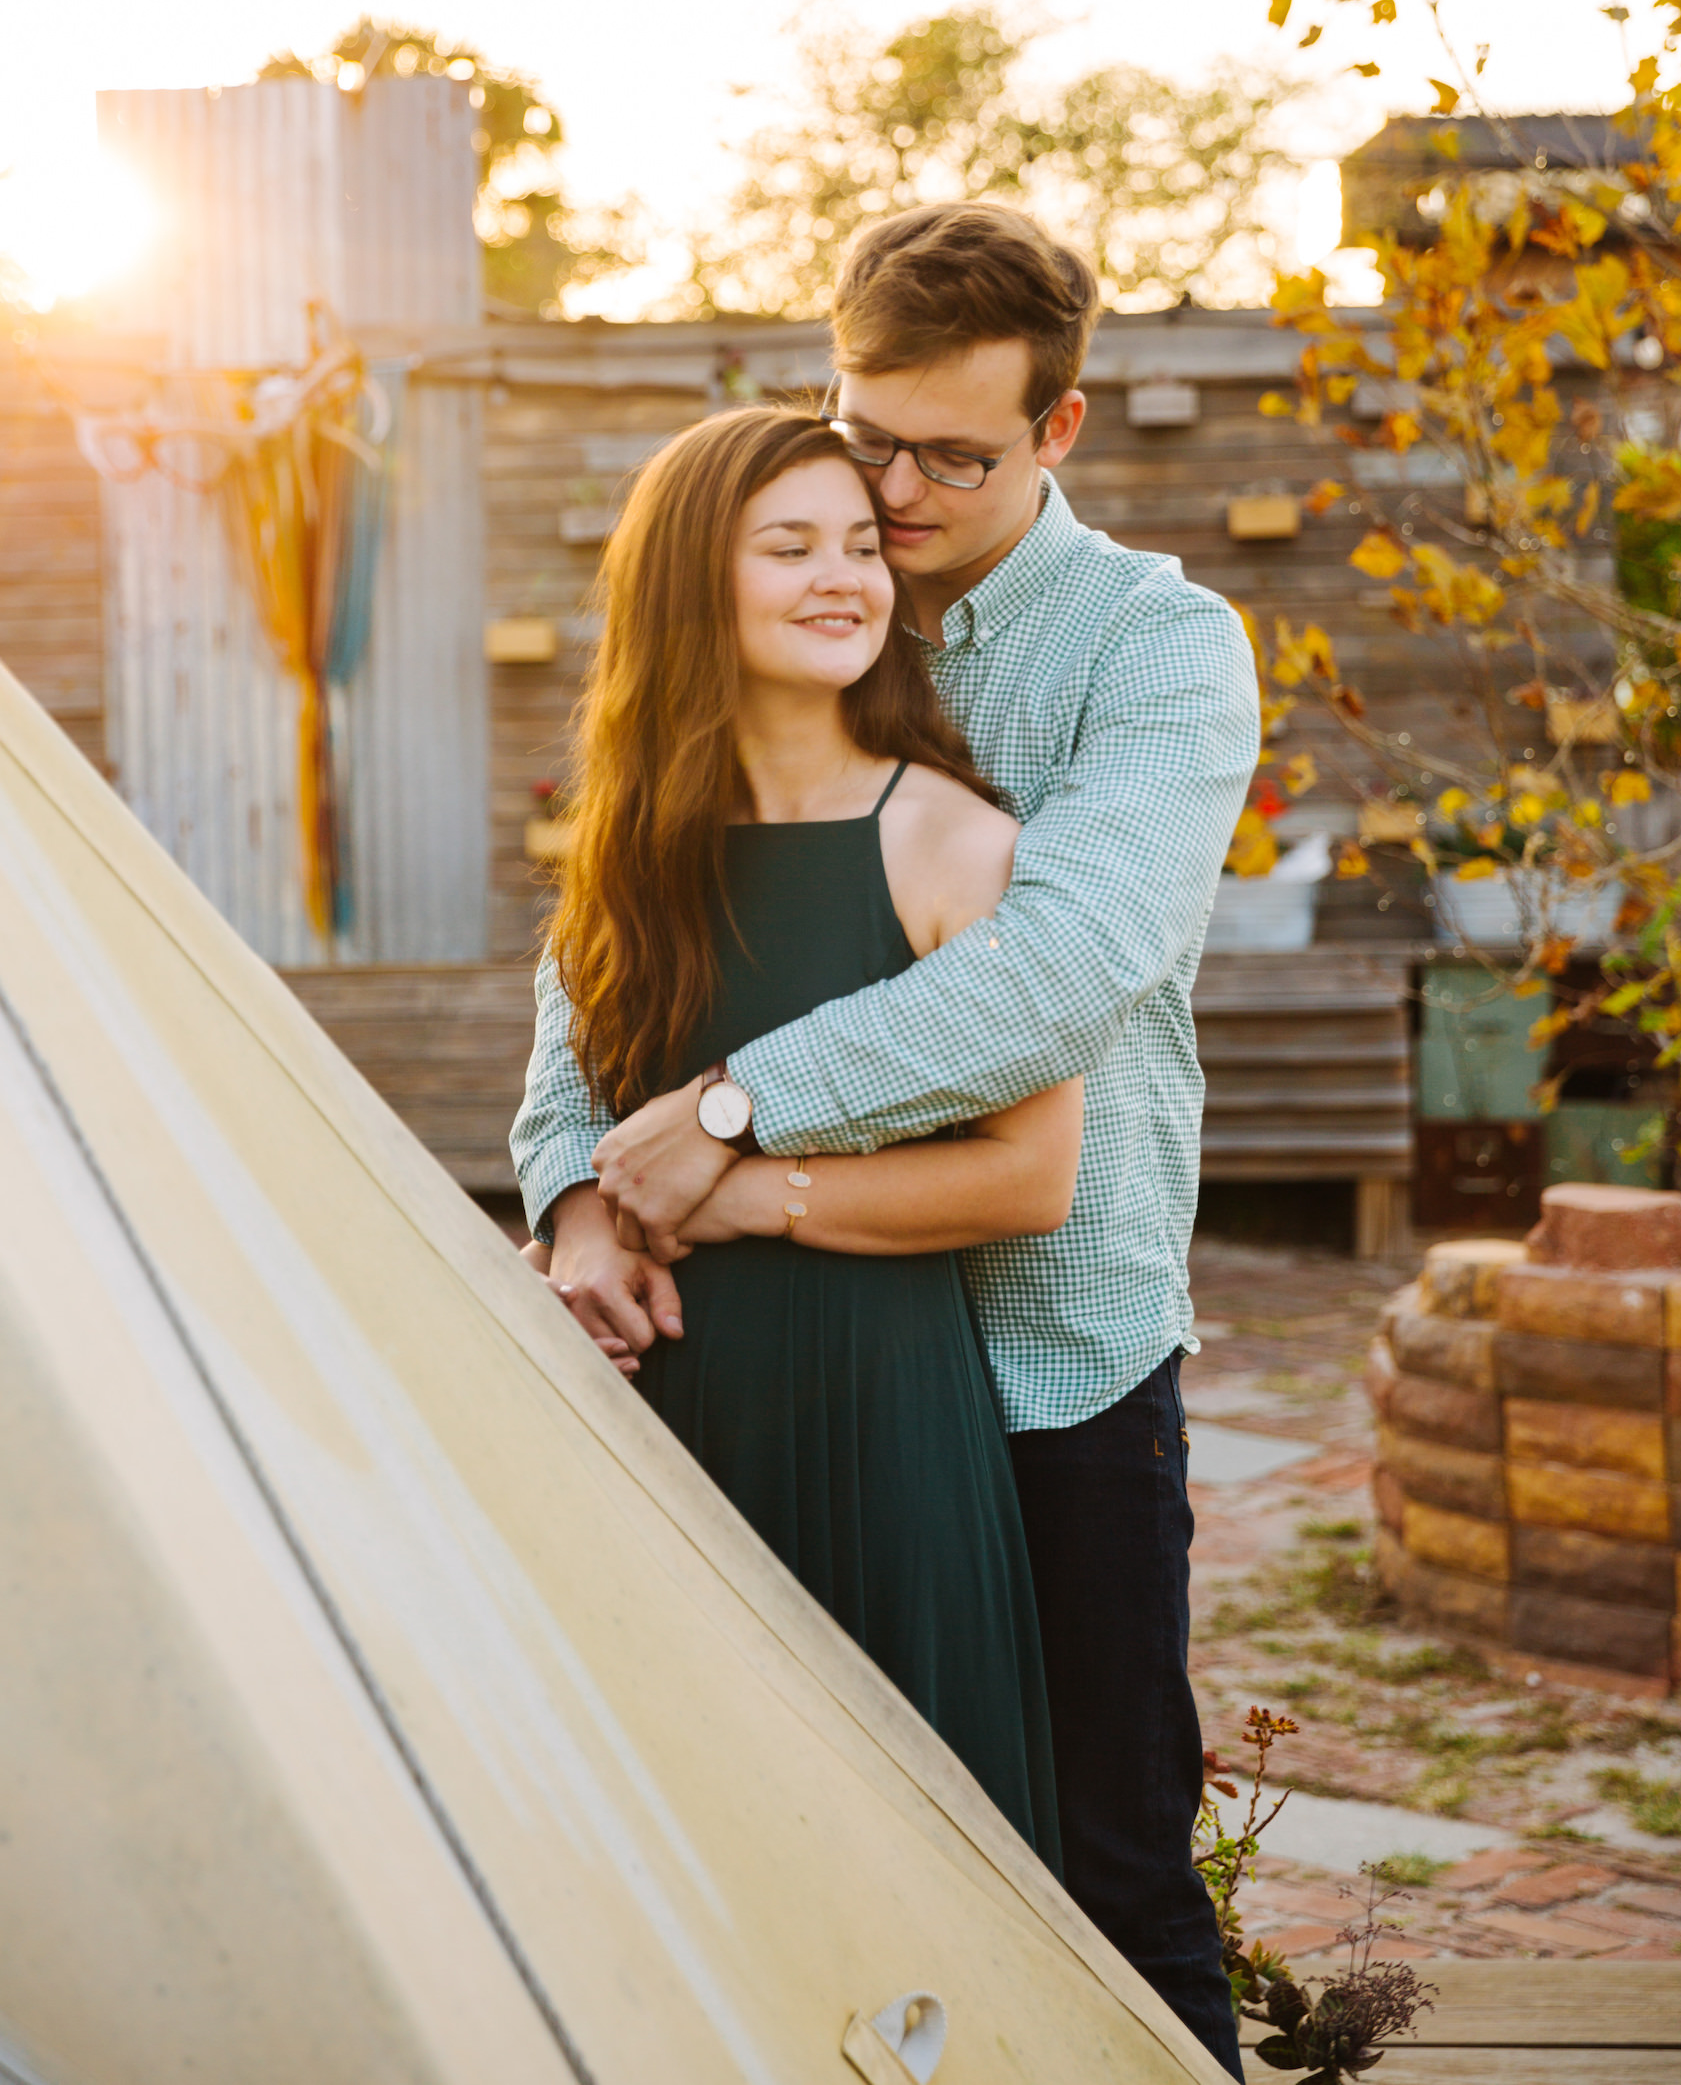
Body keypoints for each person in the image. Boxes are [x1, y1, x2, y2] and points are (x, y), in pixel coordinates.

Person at [513, 201, 1260, 2079]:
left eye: (956, 457)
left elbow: (1063, 971)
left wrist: (722, 1128)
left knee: (1098, 1872)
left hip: (1051, 1359)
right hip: (766, 1375)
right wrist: (577, 1193)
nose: (899, 496)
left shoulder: (1156, 651)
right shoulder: (765, 614)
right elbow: (591, 976)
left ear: (1061, 430)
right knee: (745, 1852)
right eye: (868, 441)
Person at [518, 398, 1076, 1869]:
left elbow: (1033, 1176)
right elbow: (573, 1094)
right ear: (695, 580)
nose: (846, 577)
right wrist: (581, 1222)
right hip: (662, 1412)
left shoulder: (954, 841)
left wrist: (744, 1194)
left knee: (905, 1873)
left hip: (880, 1420)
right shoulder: (631, 844)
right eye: (790, 545)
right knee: (682, 1863)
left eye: (859, 546)